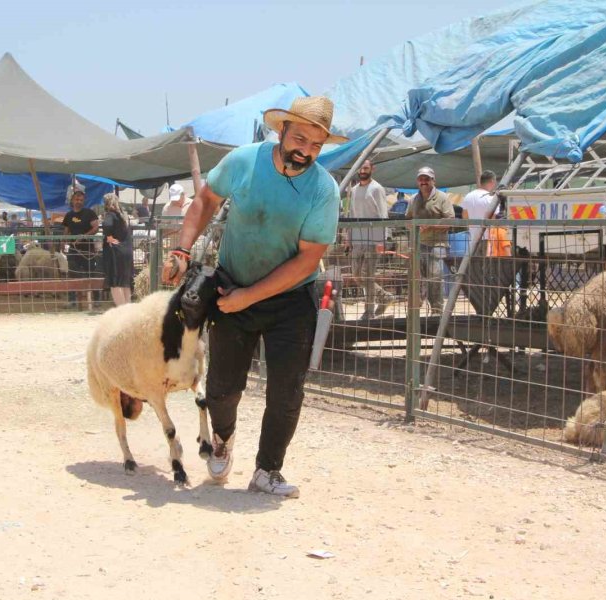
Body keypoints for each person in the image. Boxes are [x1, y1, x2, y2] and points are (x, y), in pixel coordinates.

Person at [162, 96, 343, 498]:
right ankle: (223, 438)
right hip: (230, 286)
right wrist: (182, 249)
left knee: (286, 389)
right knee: (223, 389)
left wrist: (251, 296)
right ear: (281, 132)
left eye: (316, 145)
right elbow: (206, 200)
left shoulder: (324, 191)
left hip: (291, 299)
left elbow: (307, 259)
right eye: (299, 139)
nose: (305, 151)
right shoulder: (245, 161)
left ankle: (268, 471)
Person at [345, 159, 395, 319]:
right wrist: (349, 237)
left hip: (374, 238)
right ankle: (385, 297)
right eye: (361, 168)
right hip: (358, 238)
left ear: (372, 169)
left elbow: (382, 214)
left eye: (366, 167)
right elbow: (351, 214)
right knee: (357, 275)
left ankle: (369, 311)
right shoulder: (353, 190)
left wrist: (383, 239)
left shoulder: (377, 189)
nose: (363, 171)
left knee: (367, 275)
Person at [405, 166, 454, 315]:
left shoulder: (442, 198)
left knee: (435, 276)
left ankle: (437, 310)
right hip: (418, 244)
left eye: (427, 179)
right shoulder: (413, 199)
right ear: (417, 181)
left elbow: (450, 220)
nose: (423, 181)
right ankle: (415, 309)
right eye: (421, 179)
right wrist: (412, 227)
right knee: (415, 277)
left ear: (433, 180)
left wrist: (430, 226)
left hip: (437, 243)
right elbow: (408, 219)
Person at [62, 189, 100, 308]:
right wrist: (63, 242)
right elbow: (66, 231)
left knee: (91, 274)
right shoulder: (69, 215)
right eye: (77, 199)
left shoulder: (89, 213)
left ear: (84, 201)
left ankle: (96, 299)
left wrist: (84, 236)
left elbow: (96, 228)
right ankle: (72, 300)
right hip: (74, 250)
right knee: (72, 274)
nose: (79, 201)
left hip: (87, 249)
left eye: (81, 200)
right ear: (72, 200)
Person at [101, 193, 134, 306]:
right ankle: (127, 307)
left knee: (114, 283)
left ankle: (121, 309)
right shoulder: (124, 216)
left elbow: (106, 225)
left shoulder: (110, 215)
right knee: (125, 282)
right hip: (127, 250)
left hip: (115, 252)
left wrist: (109, 238)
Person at [460, 169, 498, 253]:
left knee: (474, 264)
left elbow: (464, 216)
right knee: (487, 264)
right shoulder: (491, 199)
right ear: (492, 181)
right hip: (487, 239)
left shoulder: (468, 196)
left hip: (472, 239)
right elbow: (493, 220)